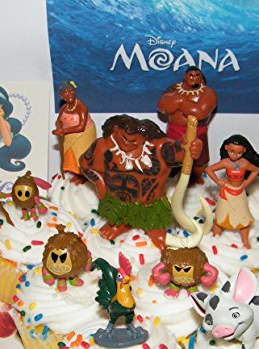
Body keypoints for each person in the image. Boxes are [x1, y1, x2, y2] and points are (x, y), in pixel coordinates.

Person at [79, 114, 202, 250]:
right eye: (124, 137)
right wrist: (100, 183)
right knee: (118, 213)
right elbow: (85, 165)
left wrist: (187, 148)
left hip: (150, 203)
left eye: (134, 140)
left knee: (153, 217)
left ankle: (154, 227)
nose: (128, 142)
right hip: (119, 202)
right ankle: (120, 224)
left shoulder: (158, 147)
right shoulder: (102, 146)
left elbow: (177, 153)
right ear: (116, 130)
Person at [205, 135, 259, 248]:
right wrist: (218, 181)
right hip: (227, 192)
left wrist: (246, 182)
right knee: (220, 217)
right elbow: (209, 169)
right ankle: (215, 237)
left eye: (239, 153)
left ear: (244, 151)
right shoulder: (225, 162)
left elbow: (256, 170)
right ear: (226, 148)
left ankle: (245, 241)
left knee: (244, 219)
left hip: (239, 193)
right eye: (232, 151)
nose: (235, 155)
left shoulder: (244, 163)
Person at [157, 66, 217, 184]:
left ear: (200, 77)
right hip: (174, 131)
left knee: (198, 161)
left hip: (198, 133)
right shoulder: (174, 88)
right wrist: (187, 104)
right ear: (185, 76)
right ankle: (169, 179)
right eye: (191, 75)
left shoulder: (208, 92)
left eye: (197, 75)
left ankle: (196, 180)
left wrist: (180, 101)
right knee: (170, 157)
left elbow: (200, 113)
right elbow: (163, 106)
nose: (194, 78)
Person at [52, 80, 96, 182]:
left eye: (71, 91)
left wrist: (64, 130)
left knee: (80, 154)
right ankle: (74, 174)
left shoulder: (81, 107)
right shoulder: (64, 108)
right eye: (66, 92)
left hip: (83, 134)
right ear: (62, 96)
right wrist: (59, 128)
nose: (70, 94)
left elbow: (81, 127)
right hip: (69, 134)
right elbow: (58, 121)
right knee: (69, 153)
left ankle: (83, 176)